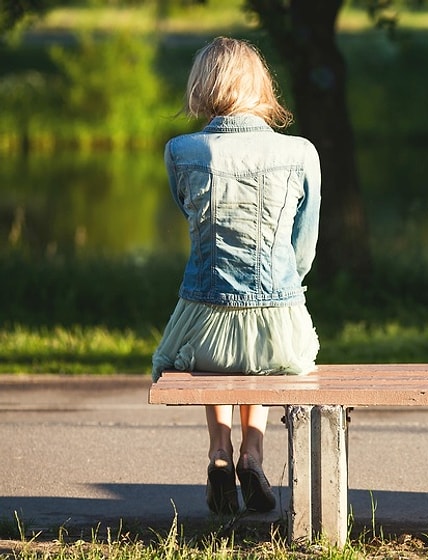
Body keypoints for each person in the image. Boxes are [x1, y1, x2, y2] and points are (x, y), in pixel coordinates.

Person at [152, 36, 321, 515]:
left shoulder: (181, 151)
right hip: (280, 330)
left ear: (202, 86)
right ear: (260, 86)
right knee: (260, 343)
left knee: (218, 344)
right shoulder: (301, 152)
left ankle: (219, 454)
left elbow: (188, 211)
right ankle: (253, 453)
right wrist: (282, 289)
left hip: (204, 326)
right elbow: (303, 251)